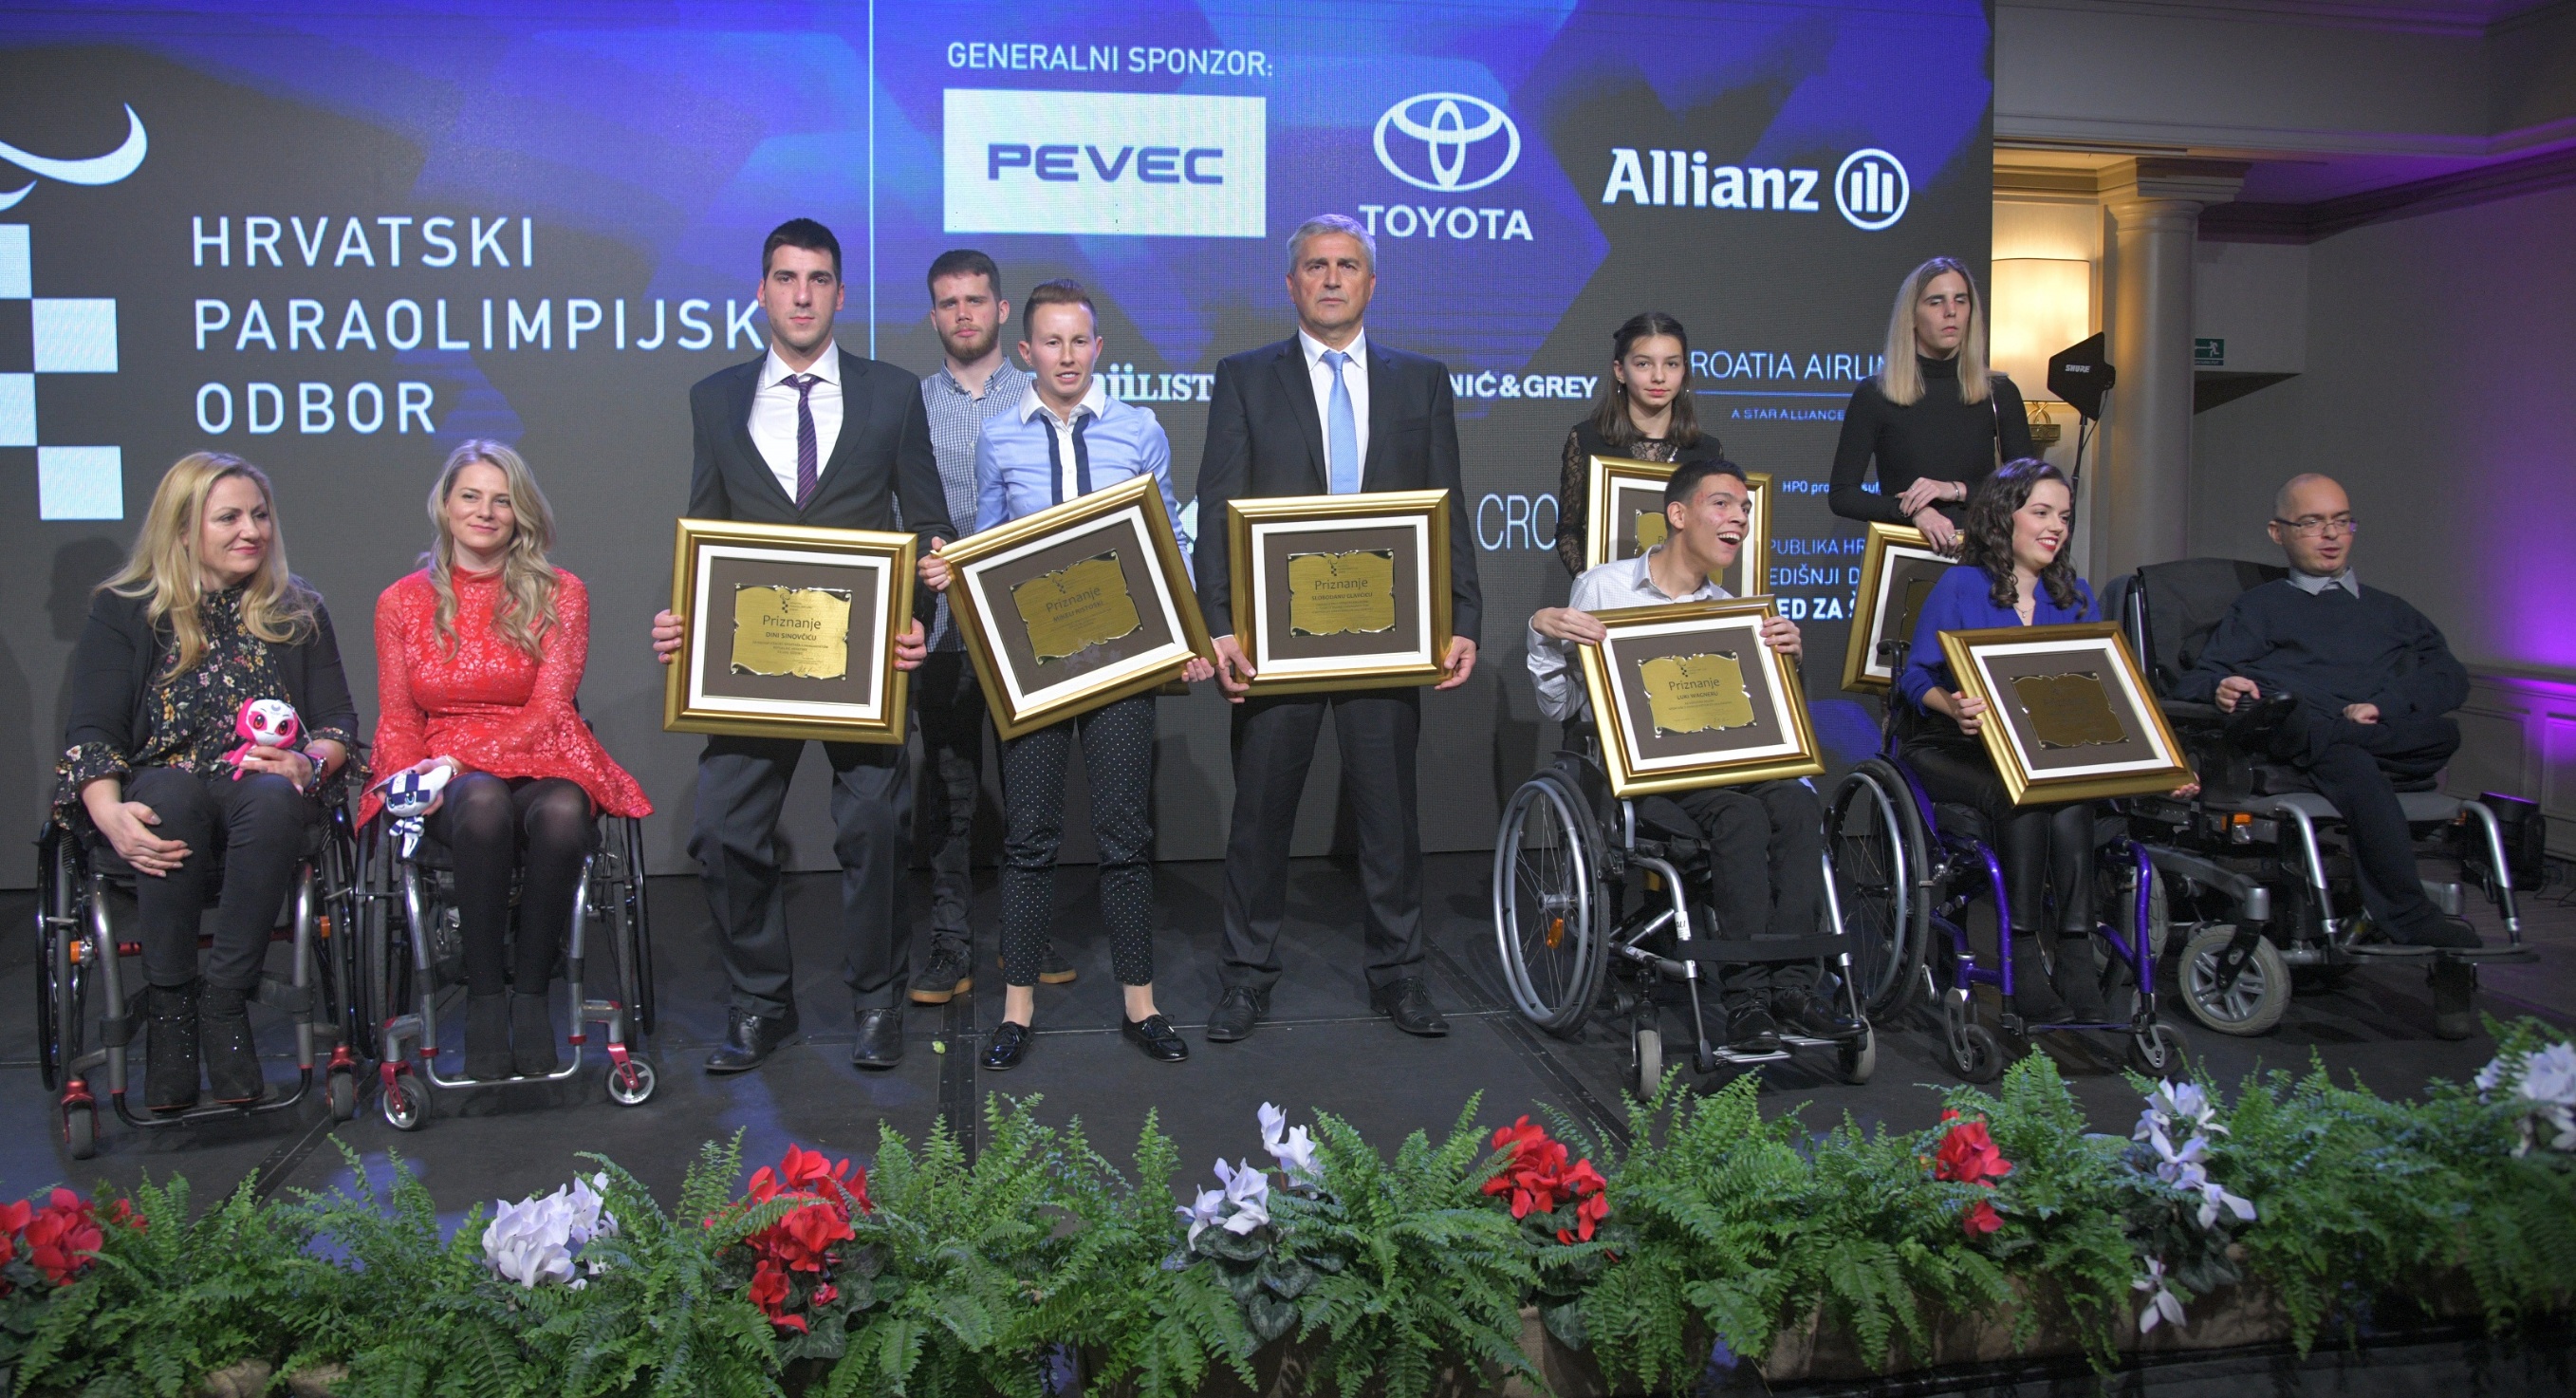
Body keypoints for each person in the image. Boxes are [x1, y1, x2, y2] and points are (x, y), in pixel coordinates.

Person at [650, 218, 952, 1074]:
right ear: (761, 292)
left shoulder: (892, 393)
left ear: (840, 294)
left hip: (863, 664)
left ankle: (876, 1002)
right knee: (722, 828)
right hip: (751, 662)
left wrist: (916, 623)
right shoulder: (714, 398)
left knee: (875, 829)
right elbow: (706, 527)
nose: (802, 294)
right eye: (786, 278)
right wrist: (684, 621)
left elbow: (927, 526)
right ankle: (760, 1004)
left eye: (818, 279)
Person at [1194, 213, 1482, 1042]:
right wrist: (1219, 624)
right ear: (1290, 283)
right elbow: (1217, 505)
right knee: (1260, 816)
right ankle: (1245, 976)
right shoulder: (1244, 377)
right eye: (1315, 265)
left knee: (1389, 818)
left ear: (1371, 283)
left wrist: (1462, 614)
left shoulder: (1420, 380)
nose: (1330, 278)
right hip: (1274, 640)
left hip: (1388, 635)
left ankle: (1400, 973)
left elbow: (1447, 502)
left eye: (1346, 265)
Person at [919, 280, 1214, 1070]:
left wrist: (1188, 633)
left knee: (1125, 835)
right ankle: (1015, 1012)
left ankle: (1141, 1005)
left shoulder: (1138, 428)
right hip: (1036, 671)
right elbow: (988, 543)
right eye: (1051, 342)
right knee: (1029, 838)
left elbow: (1171, 533)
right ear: (1026, 352)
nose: (1067, 355)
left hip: (1122, 663)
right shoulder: (998, 439)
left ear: (1098, 347)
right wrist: (955, 571)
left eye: (1079, 340)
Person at [57, 453, 359, 1112]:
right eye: (229, 518)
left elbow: (337, 722)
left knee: (275, 796)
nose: (251, 530)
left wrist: (309, 761)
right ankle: (171, 1010)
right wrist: (106, 812)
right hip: (162, 789)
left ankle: (223, 1002)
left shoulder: (296, 609)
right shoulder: (124, 609)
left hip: (260, 789)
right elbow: (93, 732)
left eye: (259, 515)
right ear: (183, 529)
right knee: (169, 794)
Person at [1528, 459, 1860, 1051]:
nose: (1740, 518)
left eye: (1745, 509)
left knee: (1798, 806)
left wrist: (1789, 664)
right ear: (1678, 515)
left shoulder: (1734, 611)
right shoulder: (1604, 588)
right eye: (1723, 504)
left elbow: (1764, 721)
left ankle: (1793, 987)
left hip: (1727, 762)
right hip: (1651, 775)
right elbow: (1563, 705)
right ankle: (1747, 999)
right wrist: (1542, 636)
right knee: (1741, 817)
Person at [365, 441, 652, 1081]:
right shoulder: (401, 602)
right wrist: (416, 779)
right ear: (444, 506)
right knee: (484, 802)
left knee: (562, 813)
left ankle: (531, 995)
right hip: (449, 778)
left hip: (542, 752)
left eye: (502, 500)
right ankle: (486, 1000)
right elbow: (399, 717)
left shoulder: (561, 592)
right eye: (470, 496)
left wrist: (454, 760)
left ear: (520, 513)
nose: (485, 512)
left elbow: (549, 709)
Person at [2175, 474, 2483, 1028]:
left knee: (2442, 734)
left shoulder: (2392, 612)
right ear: (2279, 532)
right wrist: (2223, 689)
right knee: (2326, 741)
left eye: (2341, 521)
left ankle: (2341, 740)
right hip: (2299, 735)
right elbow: (2198, 681)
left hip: (2364, 736)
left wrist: (2384, 706)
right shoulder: (2260, 609)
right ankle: (2409, 915)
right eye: (2313, 523)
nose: (2331, 535)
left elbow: (2449, 678)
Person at [1896, 458, 2154, 1021]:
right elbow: (1914, 678)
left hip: (2045, 753)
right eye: (2041, 513)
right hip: (1955, 745)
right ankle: (2024, 957)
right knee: (2026, 792)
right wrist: (1953, 704)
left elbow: (2102, 689)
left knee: (2068, 794)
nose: (2056, 526)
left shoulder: (2074, 596)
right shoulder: (1962, 585)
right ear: (2003, 516)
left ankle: (2075, 953)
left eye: (2064, 516)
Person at [909, 248, 1039, 1008]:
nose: (964, 313)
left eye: (976, 299)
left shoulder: (1039, 392)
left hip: (1027, 626)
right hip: (943, 629)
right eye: (949, 302)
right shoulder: (912, 403)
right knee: (950, 798)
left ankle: (1028, 938)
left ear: (1000, 309)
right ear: (934, 315)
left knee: (1031, 793)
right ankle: (950, 943)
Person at [1829, 257, 2033, 555]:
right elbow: (1842, 495)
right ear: (1912, 315)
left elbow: (2027, 488)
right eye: (1936, 302)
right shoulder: (1875, 394)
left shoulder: (1999, 392)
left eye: (1960, 300)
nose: (1951, 311)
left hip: (1982, 556)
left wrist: (1955, 489)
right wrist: (1912, 511)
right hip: (1907, 555)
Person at [1551, 311, 1726, 578]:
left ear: (1684, 370)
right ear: (1620, 370)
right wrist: (1595, 584)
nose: (1659, 376)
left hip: (1684, 598)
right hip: (1610, 598)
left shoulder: (1707, 451)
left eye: (1671, 364)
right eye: (1644, 364)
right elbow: (1568, 531)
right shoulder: (1588, 440)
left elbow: (1714, 535)